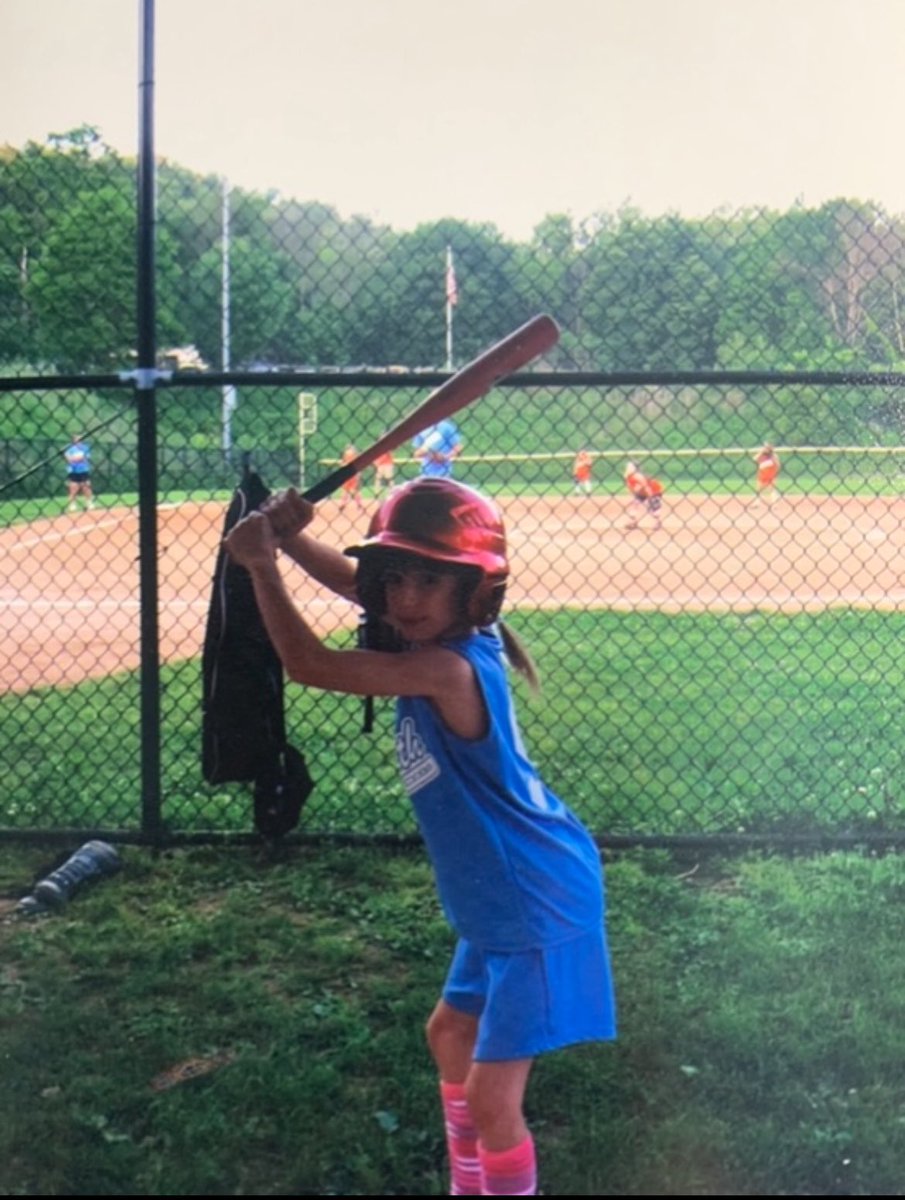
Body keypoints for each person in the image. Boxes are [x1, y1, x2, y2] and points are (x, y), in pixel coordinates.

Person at [224, 478, 616, 1197]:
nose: (404, 599)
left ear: (474, 592)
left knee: (495, 1101)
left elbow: (313, 666)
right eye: (395, 578)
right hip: (498, 895)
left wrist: (261, 567)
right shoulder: (456, 631)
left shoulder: (445, 667)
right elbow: (362, 585)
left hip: (533, 898)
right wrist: (289, 539)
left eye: (427, 581)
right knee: (448, 1035)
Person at [624, 460, 664, 530]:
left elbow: (646, 487)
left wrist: (650, 498)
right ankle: (633, 522)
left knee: (653, 507)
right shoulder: (628, 477)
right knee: (635, 504)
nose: (628, 468)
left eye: (630, 466)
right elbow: (632, 488)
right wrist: (635, 493)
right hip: (641, 492)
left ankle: (658, 522)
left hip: (654, 491)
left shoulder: (638, 476)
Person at [63, 433, 95, 512]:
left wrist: (75, 458)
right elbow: (69, 459)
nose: (79, 440)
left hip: (83, 470)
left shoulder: (85, 448)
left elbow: (84, 458)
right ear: (74, 440)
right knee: (73, 487)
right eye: (77, 439)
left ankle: (89, 502)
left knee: (86, 486)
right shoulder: (69, 448)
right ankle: (72, 504)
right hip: (73, 470)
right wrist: (76, 458)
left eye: (81, 439)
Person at [338, 443, 365, 511]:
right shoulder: (354, 454)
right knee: (355, 491)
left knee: (345, 490)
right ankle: (359, 504)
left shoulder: (346, 453)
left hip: (347, 473)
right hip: (353, 473)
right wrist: (359, 473)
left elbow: (343, 463)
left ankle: (343, 504)